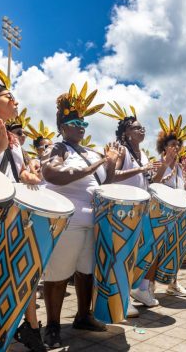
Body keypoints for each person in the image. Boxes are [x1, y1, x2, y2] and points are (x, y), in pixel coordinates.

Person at [41, 83, 120, 348]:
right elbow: (52, 175)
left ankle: (83, 316)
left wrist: (110, 163)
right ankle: (52, 326)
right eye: (75, 122)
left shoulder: (91, 152)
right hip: (68, 223)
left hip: (92, 224)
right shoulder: (57, 149)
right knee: (58, 275)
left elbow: (104, 185)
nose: (82, 127)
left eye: (84, 123)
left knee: (86, 273)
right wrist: (98, 163)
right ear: (63, 127)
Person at [0, 67, 44, 352]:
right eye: (8, 96)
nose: (15, 101)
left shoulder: (16, 141)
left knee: (19, 271)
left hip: (14, 213)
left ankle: (29, 328)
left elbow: (24, 174)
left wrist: (32, 173)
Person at [101, 101, 159, 316]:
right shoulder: (122, 151)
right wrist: (142, 169)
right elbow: (112, 176)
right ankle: (121, 298)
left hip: (140, 208)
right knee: (123, 255)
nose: (141, 130)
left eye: (142, 127)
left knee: (144, 251)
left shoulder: (143, 154)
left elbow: (149, 182)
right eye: (136, 127)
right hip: (122, 209)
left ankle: (140, 290)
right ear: (125, 132)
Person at [150, 114, 186, 297]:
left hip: (177, 212)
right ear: (164, 147)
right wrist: (165, 166)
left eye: (178, 145)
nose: (176, 147)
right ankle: (148, 286)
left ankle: (172, 283)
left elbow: (179, 189)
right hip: (160, 212)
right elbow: (155, 182)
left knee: (174, 248)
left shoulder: (179, 166)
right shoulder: (159, 162)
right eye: (172, 145)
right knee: (156, 250)